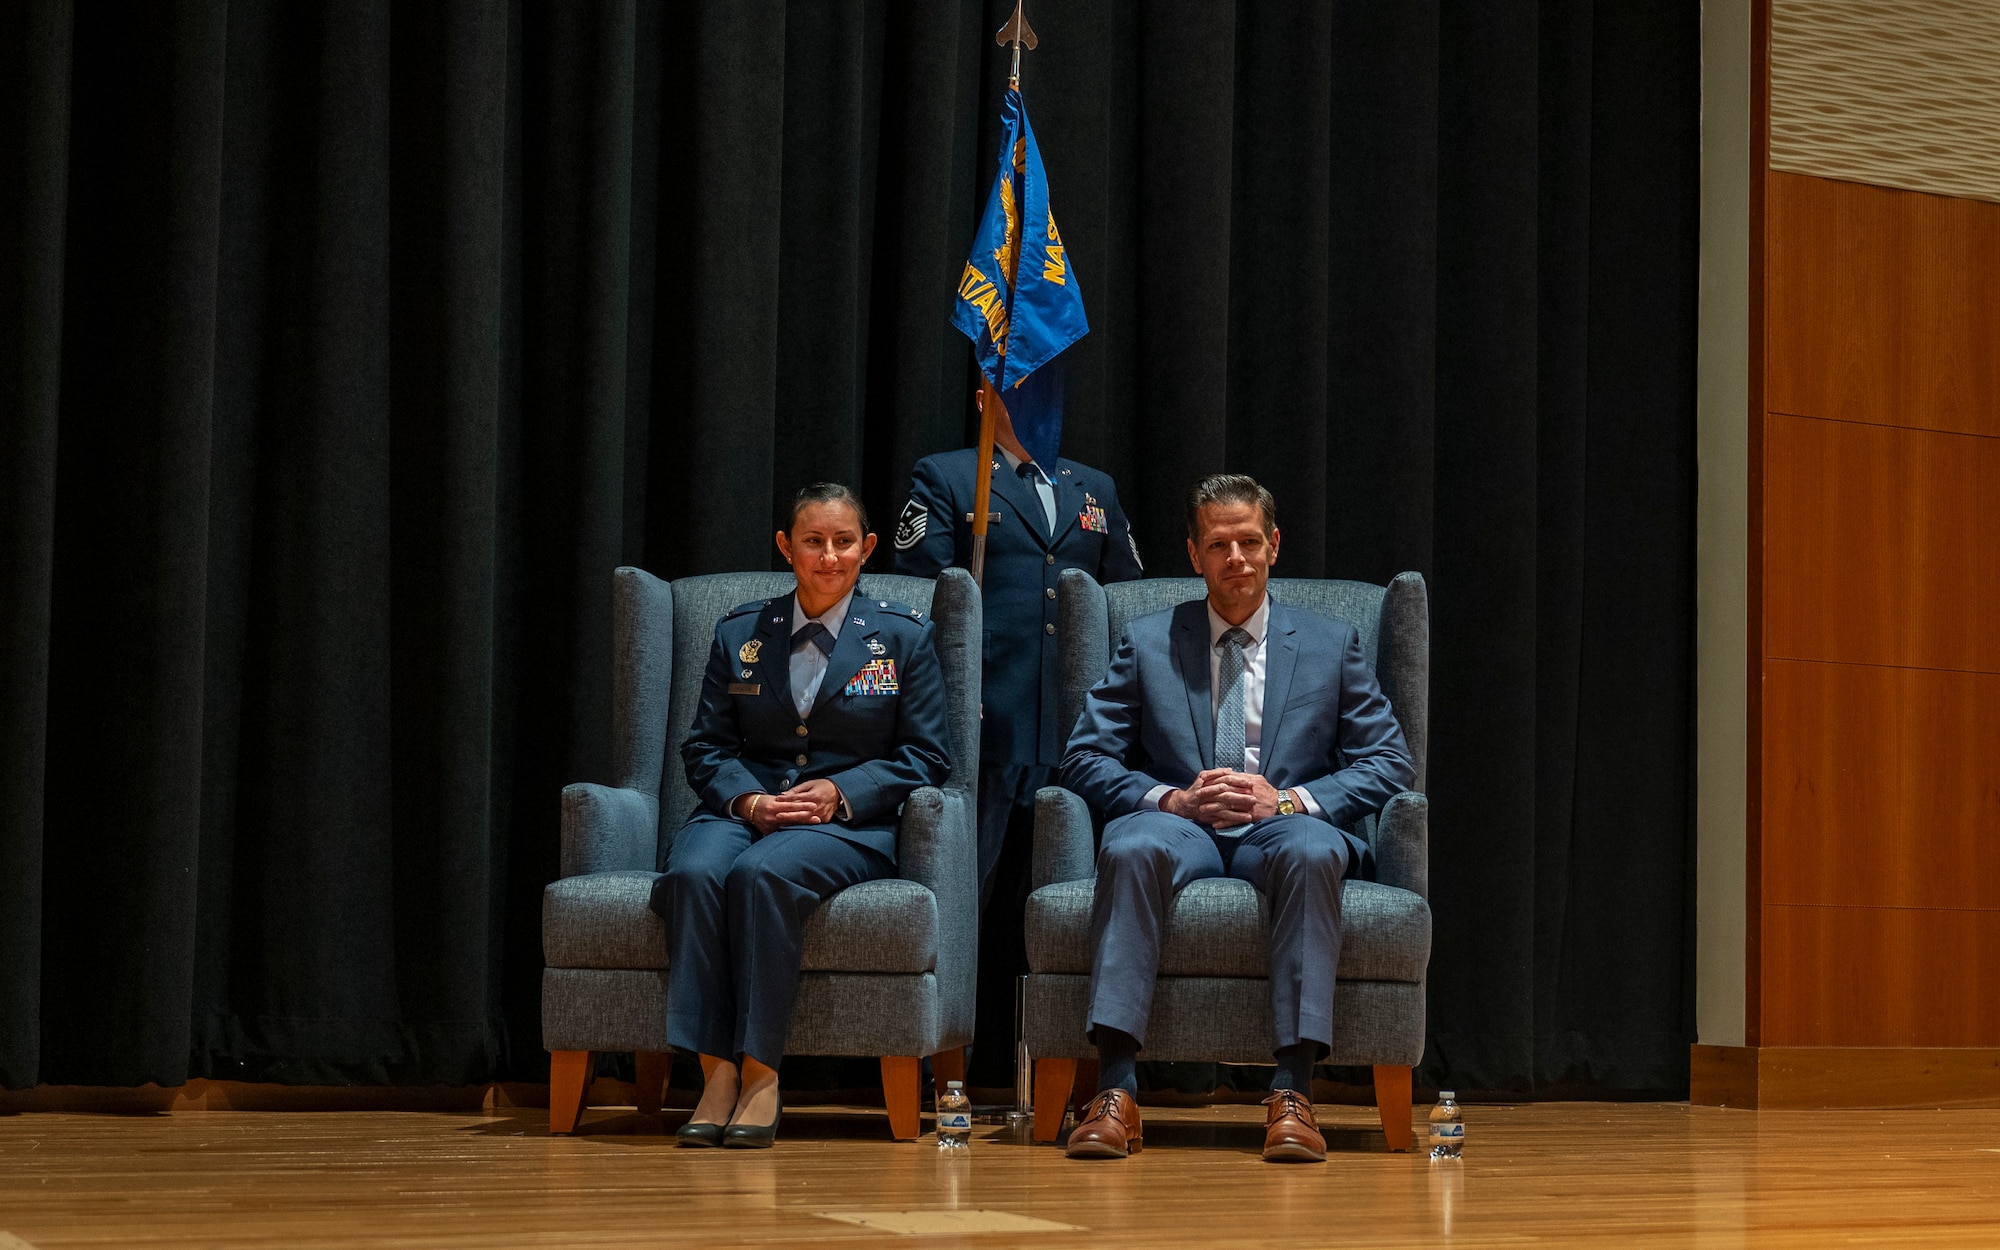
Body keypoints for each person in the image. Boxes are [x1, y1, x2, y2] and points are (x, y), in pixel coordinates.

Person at [1057, 473, 1415, 1163]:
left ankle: (1293, 1092)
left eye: (1249, 542)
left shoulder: (1329, 641)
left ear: (1274, 544)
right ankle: (1117, 1092)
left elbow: (1390, 761)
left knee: (1315, 852)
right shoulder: (1147, 639)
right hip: (1180, 824)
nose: (1237, 560)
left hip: (1283, 823)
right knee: (1130, 846)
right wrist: (1173, 799)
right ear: (1195, 555)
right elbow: (1083, 756)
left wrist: (1285, 801)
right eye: (1219, 545)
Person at [649, 483, 953, 1149]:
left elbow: (929, 756)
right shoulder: (741, 632)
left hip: (846, 824)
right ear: (787, 547)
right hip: (746, 807)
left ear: (867, 548)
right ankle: (715, 1072)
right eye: (814, 541)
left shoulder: (903, 638)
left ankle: (761, 1074)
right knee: (694, 872)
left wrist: (840, 794)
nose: (829, 556)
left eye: (844, 541)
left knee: (761, 876)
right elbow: (704, 746)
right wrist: (751, 801)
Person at [892, 388, 1144, 1088]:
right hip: (985, 725)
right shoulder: (947, 477)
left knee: (1078, 906)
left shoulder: (1094, 487)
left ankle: (1079, 1076)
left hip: (1078, 730)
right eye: (1019, 384)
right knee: (961, 901)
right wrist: (951, 691)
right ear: (983, 398)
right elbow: (920, 601)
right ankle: (940, 1077)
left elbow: (1128, 601)